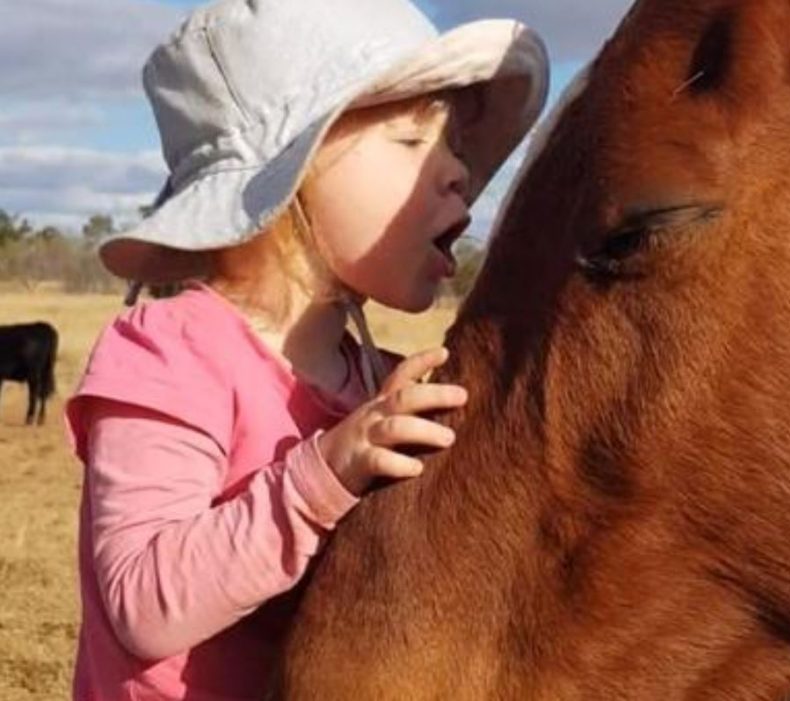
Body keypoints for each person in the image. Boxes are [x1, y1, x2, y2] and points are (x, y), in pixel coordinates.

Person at [64, 0, 549, 698]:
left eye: (458, 152)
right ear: (289, 173)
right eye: (413, 143)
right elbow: (143, 605)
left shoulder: (381, 388)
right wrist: (325, 473)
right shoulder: (170, 353)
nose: (458, 175)